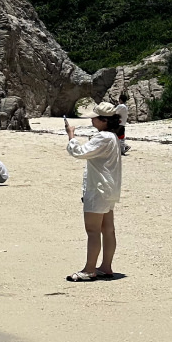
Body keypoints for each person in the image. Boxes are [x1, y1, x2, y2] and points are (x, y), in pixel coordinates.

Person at [65, 101, 123, 282]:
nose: (92, 121)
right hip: (109, 188)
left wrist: (71, 135)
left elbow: (78, 152)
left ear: (103, 120)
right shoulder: (112, 137)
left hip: (98, 189)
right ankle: (106, 267)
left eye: (95, 118)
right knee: (108, 229)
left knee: (92, 230)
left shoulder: (103, 137)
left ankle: (89, 269)